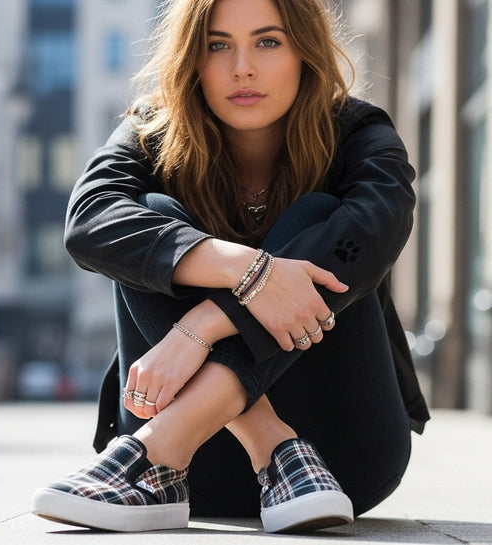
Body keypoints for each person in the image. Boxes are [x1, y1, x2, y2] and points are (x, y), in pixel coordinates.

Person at [32, 0, 429, 534]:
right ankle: (269, 443)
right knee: (152, 217)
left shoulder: (358, 133)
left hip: (344, 453)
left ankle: (156, 451)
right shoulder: (152, 134)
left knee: (322, 218)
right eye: (217, 45)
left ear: (304, 53)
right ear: (191, 60)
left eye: (268, 41)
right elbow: (89, 222)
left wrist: (204, 324)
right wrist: (248, 270)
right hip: (191, 465)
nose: (242, 66)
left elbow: (375, 227)